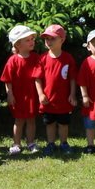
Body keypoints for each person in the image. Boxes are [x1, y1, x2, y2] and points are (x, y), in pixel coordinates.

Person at [34, 24, 76, 155]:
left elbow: (73, 79)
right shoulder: (43, 58)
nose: (48, 41)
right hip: (48, 100)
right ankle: (51, 143)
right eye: (46, 38)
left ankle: (64, 143)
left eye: (52, 38)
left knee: (63, 123)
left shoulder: (68, 58)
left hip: (63, 100)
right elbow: (37, 78)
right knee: (50, 123)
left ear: (62, 40)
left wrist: (73, 95)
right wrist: (41, 94)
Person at [1, 25, 40, 155]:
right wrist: (10, 94)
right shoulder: (13, 60)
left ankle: (31, 143)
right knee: (19, 120)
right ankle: (16, 144)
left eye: (32, 39)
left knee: (31, 120)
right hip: (18, 95)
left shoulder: (35, 58)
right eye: (27, 40)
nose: (32, 42)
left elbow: (38, 77)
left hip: (31, 95)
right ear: (18, 44)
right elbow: (7, 79)